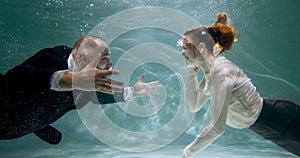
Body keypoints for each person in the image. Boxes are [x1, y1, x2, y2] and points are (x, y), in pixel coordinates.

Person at [0, 35, 161, 145]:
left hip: (25, 124)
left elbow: (100, 96)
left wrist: (133, 92)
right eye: (105, 59)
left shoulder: (87, 86)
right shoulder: (53, 58)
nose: (110, 64)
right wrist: (72, 80)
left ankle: (38, 124)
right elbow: (18, 76)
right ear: (83, 59)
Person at [179, 13, 300, 157]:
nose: (182, 52)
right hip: (271, 128)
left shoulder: (221, 73)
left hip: (284, 120)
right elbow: (194, 105)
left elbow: (217, 127)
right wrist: (191, 75)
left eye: (185, 47)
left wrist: (187, 153)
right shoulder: (210, 73)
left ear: (202, 47)